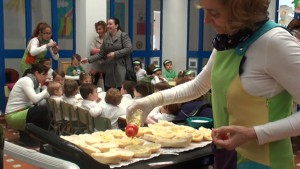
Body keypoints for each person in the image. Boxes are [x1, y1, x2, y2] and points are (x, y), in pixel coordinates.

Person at [127, 0, 300, 168]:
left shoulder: (276, 42)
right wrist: (151, 101)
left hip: (264, 163)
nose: (206, 21)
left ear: (242, 11)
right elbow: (198, 86)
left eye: (214, 13)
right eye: (205, 10)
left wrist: (252, 133)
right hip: (227, 157)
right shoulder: (228, 41)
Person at [81, 18, 133, 91]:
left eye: (110, 24)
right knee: (109, 90)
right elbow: (101, 54)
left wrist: (115, 54)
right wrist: (88, 59)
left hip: (122, 68)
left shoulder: (123, 36)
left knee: (121, 90)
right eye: (107, 24)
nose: (108, 26)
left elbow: (129, 49)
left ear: (116, 25)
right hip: (109, 69)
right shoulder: (106, 38)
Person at [5, 63, 51, 146]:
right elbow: (35, 99)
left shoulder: (36, 82)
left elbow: (38, 101)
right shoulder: (27, 80)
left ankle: (40, 140)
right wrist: (48, 89)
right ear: (37, 73)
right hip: (13, 115)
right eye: (45, 74)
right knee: (43, 110)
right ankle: (40, 139)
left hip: (22, 111)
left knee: (46, 112)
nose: (47, 77)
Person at [89, 20, 107, 85]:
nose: (98, 31)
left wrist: (97, 50)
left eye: (100, 29)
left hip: (106, 66)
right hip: (95, 66)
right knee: (92, 85)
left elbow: (109, 51)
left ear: (104, 29)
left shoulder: (108, 39)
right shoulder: (95, 39)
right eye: (97, 29)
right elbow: (91, 50)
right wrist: (102, 51)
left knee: (107, 86)